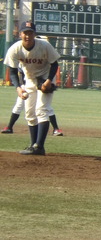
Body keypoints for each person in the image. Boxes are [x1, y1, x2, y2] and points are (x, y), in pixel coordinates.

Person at [3, 21, 61, 155]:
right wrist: (18, 88)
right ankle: (33, 145)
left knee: (41, 110)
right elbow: (12, 71)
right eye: (25, 33)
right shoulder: (15, 49)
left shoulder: (44, 46)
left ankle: (39, 147)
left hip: (45, 78)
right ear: (20, 34)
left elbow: (54, 64)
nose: (28, 36)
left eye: (30, 33)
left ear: (34, 34)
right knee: (29, 113)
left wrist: (48, 81)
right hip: (30, 79)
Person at [2, 67, 64, 136]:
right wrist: (21, 86)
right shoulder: (21, 60)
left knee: (45, 107)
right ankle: (9, 127)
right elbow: (20, 74)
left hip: (40, 84)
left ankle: (56, 129)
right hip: (27, 85)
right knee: (19, 105)